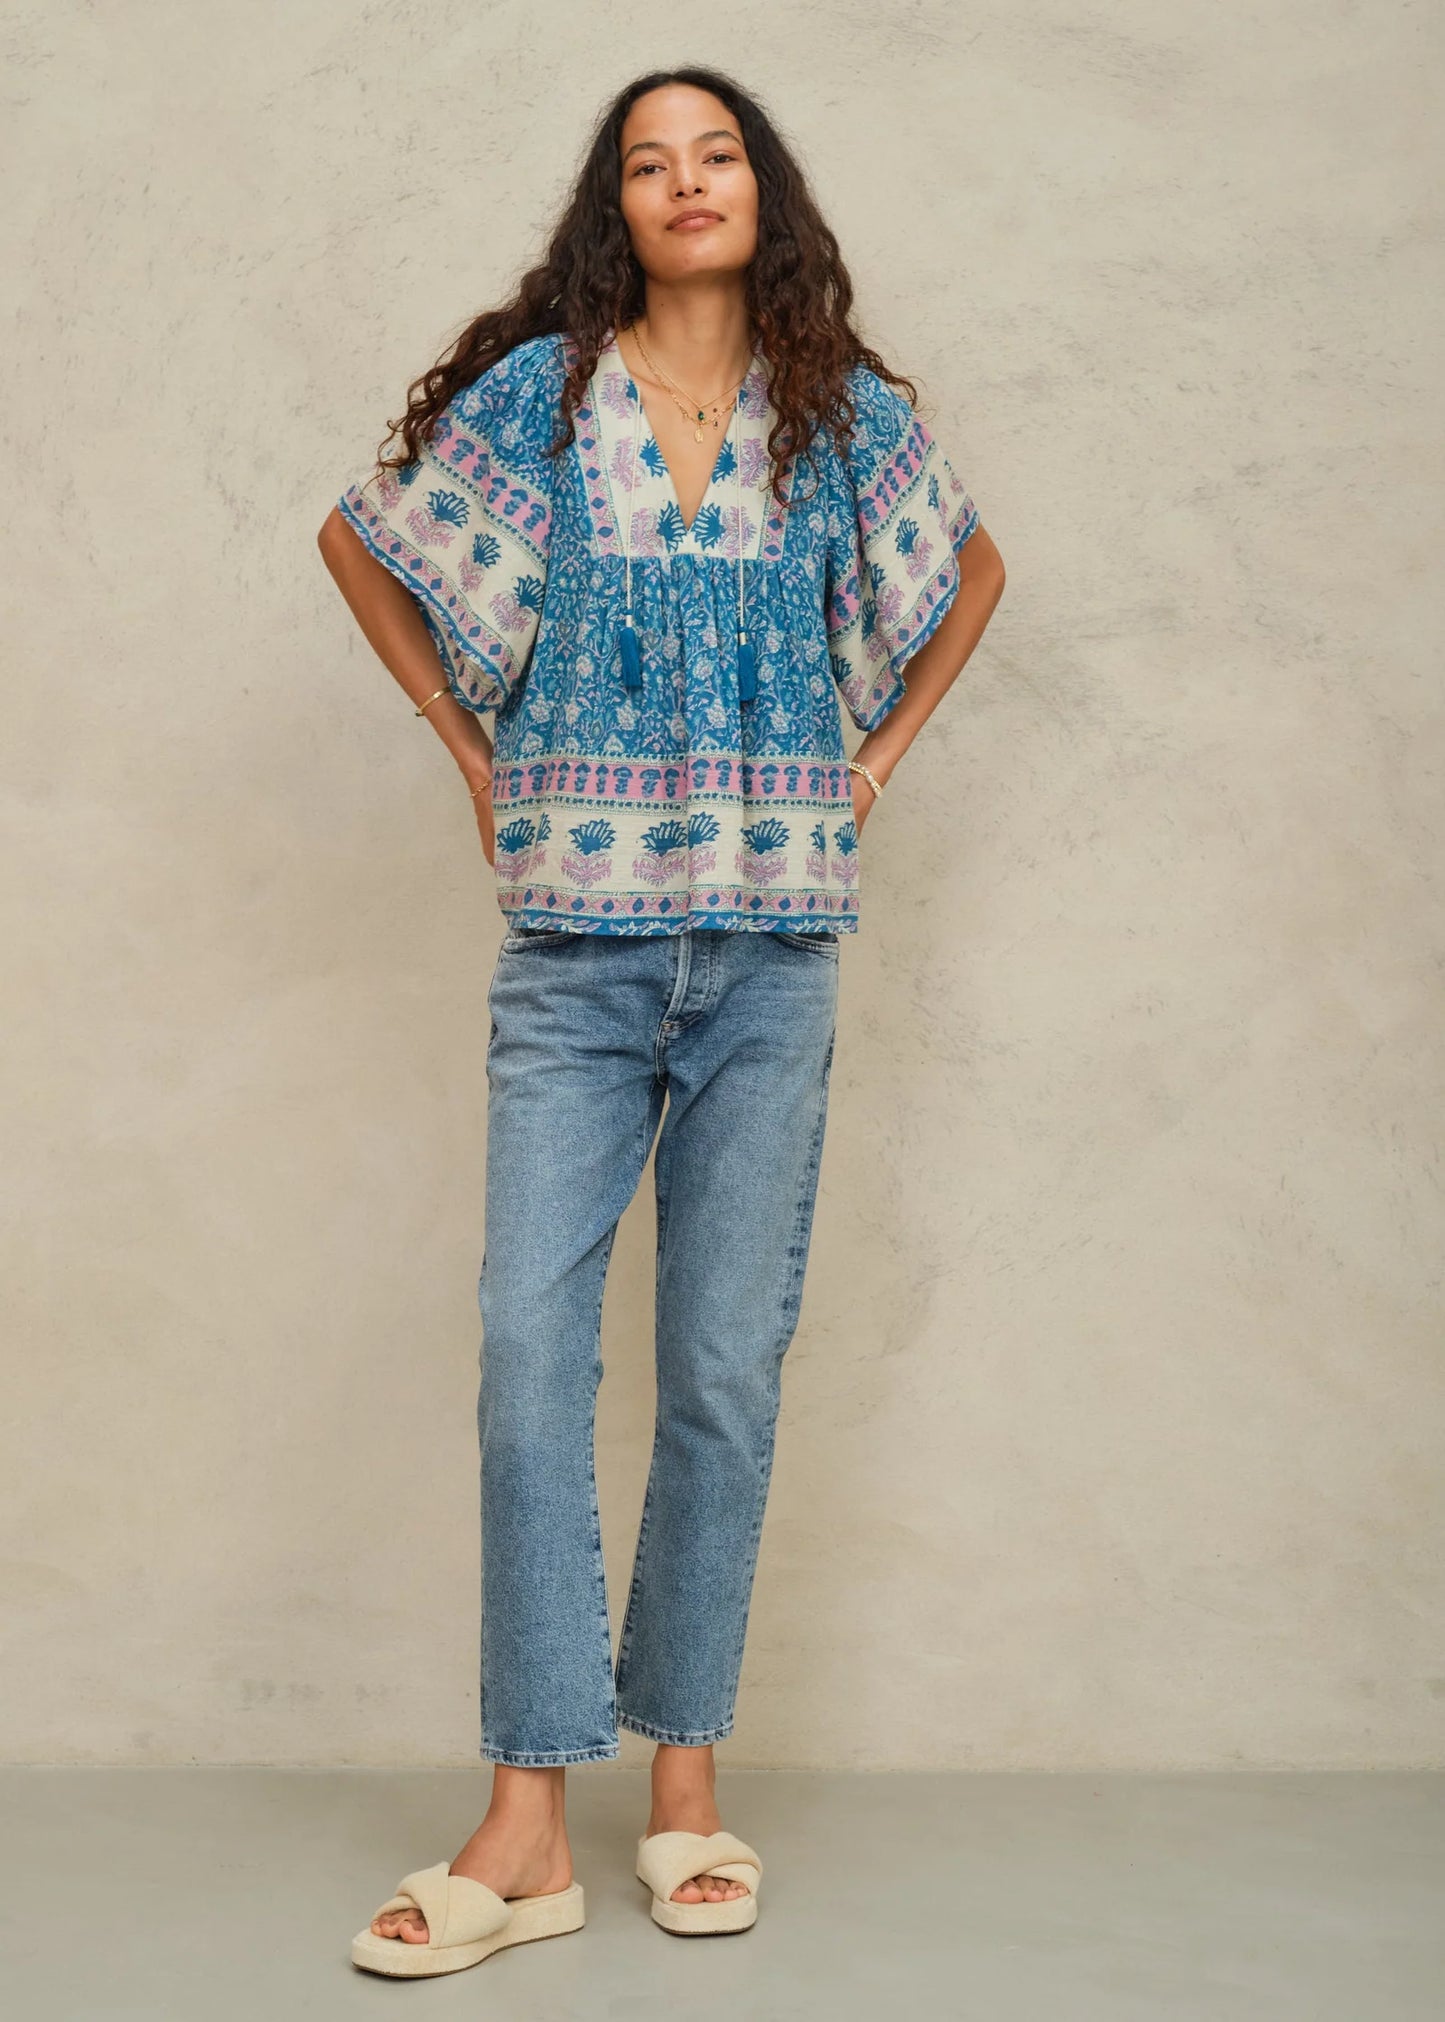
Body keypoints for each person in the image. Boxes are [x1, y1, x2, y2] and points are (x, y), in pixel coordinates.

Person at [319, 65, 1005, 1979]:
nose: (682, 183)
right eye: (647, 162)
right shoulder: (540, 401)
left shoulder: (838, 414)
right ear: (609, 206)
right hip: (577, 947)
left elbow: (969, 575)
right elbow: (363, 544)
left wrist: (861, 766)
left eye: (714, 156)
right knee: (529, 1349)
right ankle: (527, 1816)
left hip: (776, 944)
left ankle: (687, 1783)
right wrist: (470, 748)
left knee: (718, 1370)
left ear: (758, 193)